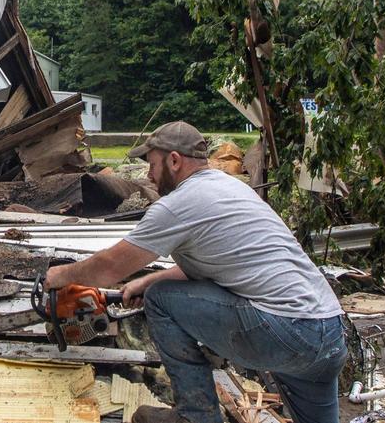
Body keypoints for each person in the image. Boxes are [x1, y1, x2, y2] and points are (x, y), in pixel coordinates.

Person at [44, 121, 347, 423]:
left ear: (174, 160)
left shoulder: (179, 204)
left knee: (161, 300)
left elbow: (110, 267)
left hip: (285, 331)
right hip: (328, 333)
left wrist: (59, 276)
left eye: (151, 164)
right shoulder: (230, 189)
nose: (148, 175)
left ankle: (196, 416)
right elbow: (213, 266)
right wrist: (148, 279)